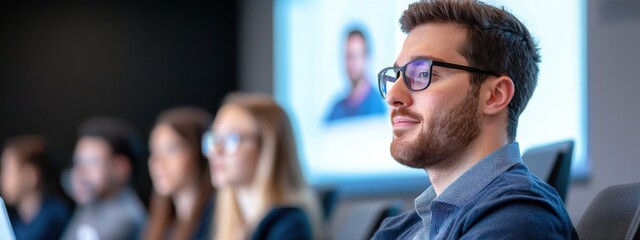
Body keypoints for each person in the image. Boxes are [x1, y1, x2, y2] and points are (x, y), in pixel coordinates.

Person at [372, 0, 577, 239]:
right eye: (396, 76)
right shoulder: (400, 230)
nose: (393, 96)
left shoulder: (518, 218)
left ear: (494, 95)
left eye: (423, 73)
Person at [204, 93, 322, 240]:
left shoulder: (290, 224)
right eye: (215, 139)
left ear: (268, 147)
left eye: (231, 139)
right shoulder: (233, 224)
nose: (216, 151)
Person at [62, 117, 147, 240]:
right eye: (78, 162)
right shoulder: (90, 204)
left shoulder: (126, 218)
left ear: (121, 167)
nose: (80, 172)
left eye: (92, 162)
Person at [144, 107, 215, 240]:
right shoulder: (162, 223)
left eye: (170, 149)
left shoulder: (215, 221)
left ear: (200, 154)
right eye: (154, 151)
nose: (157, 161)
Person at [1, 135, 71, 239]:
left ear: (31, 176)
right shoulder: (19, 222)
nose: (3, 178)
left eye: (8, 171)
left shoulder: (55, 213)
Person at [326, 29, 386, 122]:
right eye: (348, 56)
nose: (351, 63)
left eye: (356, 56)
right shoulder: (337, 109)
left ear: (366, 58)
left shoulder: (377, 108)